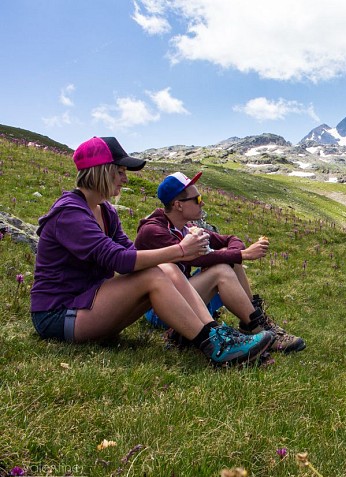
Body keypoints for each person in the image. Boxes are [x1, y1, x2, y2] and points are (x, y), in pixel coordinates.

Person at [30, 137, 274, 366]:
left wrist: (177, 254)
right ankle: (215, 345)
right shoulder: (70, 213)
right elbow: (118, 261)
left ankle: (215, 336)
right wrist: (180, 250)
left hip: (89, 302)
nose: (125, 179)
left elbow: (128, 252)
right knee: (156, 274)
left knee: (163, 269)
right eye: (120, 172)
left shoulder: (106, 211)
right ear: (101, 171)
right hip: (59, 315)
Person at [134, 172, 306, 353]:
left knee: (229, 258)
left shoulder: (187, 227)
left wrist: (236, 254)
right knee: (222, 269)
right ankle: (257, 327)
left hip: (183, 295)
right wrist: (242, 254)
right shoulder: (153, 231)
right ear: (178, 205)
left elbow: (230, 239)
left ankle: (254, 321)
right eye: (197, 199)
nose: (202, 203)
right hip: (160, 310)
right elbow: (195, 257)